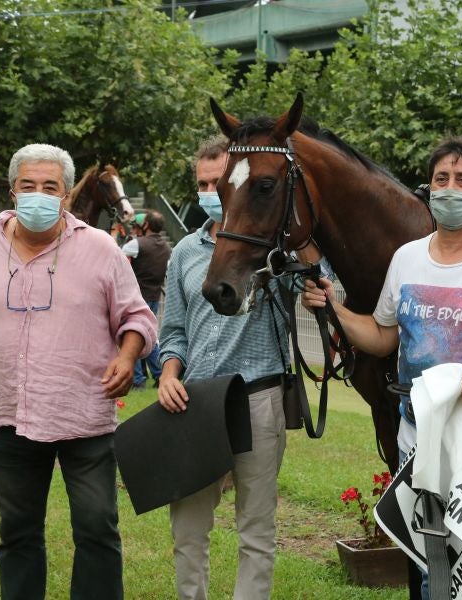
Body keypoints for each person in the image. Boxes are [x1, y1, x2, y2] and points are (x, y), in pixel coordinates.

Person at [303, 135, 462, 599]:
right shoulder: (407, 258)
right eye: (441, 178)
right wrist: (333, 308)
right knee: (432, 560)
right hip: (416, 441)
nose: (450, 188)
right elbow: (383, 337)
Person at [0, 143, 158, 600]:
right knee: (18, 531)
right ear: (12, 191)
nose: (38, 194)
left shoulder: (100, 248)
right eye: (28, 186)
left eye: (50, 187)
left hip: (82, 414)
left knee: (96, 527)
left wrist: (127, 356)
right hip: (10, 413)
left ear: (65, 195)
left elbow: (138, 318)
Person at [157, 134, 291, 600]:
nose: (210, 193)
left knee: (256, 528)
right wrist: (169, 373)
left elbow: (323, 283)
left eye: (219, 182)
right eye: (202, 183)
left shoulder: (275, 250)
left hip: (258, 396)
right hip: (196, 401)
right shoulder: (183, 254)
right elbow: (172, 330)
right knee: (188, 530)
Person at [121, 210, 171, 389]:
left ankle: (137, 379)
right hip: (154, 296)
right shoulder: (167, 248)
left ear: (146, 225)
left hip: (135, 298)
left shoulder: (135, 245)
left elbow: (118, 261)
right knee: (148, 336)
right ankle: (159, 373)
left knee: (131, 335)